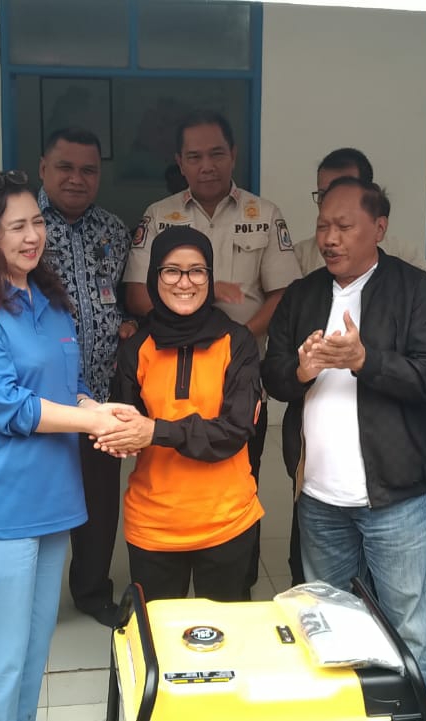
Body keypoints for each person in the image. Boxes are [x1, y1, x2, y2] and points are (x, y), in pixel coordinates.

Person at [0, 169, 128, 720]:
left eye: (37, 222)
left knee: (33, 652)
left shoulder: (48, 296)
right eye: (16, 226)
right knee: (0, 660)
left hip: (52, 497)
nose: (33, 236)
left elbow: (68, 384)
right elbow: (5, 405)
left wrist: (99, 411)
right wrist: (93, 424)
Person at [261, 176, 426, 707]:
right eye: (324, 225)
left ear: (379, 228)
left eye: (344, 226)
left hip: (395, 498)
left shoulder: (418, 292)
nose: (330, 238)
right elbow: (273, 376)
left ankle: (416, 714)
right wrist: (301, 370)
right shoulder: (301, 295)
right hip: (319, 498)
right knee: (332, 627)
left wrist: (366, 360)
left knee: (409, 628)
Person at [124, 109, 301, 596]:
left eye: (217, 153)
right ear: (180, 161)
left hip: (241, 373)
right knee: (165, 471)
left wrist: (234, 337)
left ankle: (236, 583)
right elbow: (137, 292)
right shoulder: (159, 216)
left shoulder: (264, 215)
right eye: (195, 156)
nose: (207, 165)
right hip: (167, 366)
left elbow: (284, 293)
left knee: (240, 476)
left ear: (234, 155)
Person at [98, 226, 264, 602]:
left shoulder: (236, 342)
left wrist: (155, 431)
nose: (184, 282)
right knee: (158, 632)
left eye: (197, 271)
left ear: (210, 277)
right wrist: (101, 424)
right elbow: (124, 428)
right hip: (153, 524)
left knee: (226, 634)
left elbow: (235, 430)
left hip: (227, 521)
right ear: (155, 276)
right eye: (172, 270)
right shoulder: (137, 347)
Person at [37, 127, 134, 627]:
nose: (77, 179)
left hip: (100, 392)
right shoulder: (24, 227)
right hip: (42, 402)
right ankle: (31, 596)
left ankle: (93, 590)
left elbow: (125, 297)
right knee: (41, 498)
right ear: (43, 169)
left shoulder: (114, 229)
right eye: (65, 168)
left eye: (88, 170)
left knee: (99, 500)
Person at [294, 147, 421, 274]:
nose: (330, 201)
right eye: (323, 194)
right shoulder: (300, 256)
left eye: (342, 193)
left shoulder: (404, 255)